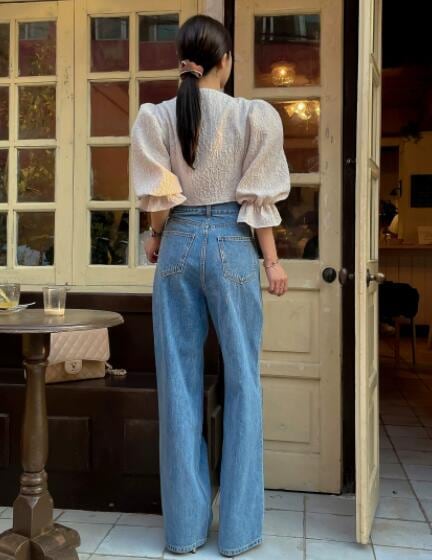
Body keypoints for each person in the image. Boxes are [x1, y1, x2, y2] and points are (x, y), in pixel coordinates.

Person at [130, 14, 291, 557]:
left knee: (178, 385)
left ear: (184, 59)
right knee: (244, 381)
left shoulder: (157, 116)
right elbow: (257, 202)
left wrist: (157, 236)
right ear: (226, 61)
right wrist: (272, 263)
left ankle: (184, 532)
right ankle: (239, 532)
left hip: (177, 242)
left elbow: (158, 197)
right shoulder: (251, 116)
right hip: (232, 243)